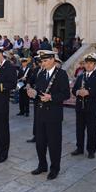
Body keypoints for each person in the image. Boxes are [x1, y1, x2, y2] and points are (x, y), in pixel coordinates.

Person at [31, 50, 70, 180]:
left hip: (53, 115)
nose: (43, 63)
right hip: (40, 113)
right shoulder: (41, 74)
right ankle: (42, 165)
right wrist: (33, 93)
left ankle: (55, 168)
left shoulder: (61, 74)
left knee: (54, 143)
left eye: (46, 60)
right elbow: (38, 91)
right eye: (42, 61)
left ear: (53, 60)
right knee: (40, 143)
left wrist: (51, 97)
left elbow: (66, 94)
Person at [71, 53, 96, 159]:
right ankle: (79, 148)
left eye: (91, 63)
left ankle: (91, 150)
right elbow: (73, 90)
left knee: (91, 129)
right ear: (84, 64)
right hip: (80, 107)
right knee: (79, 129)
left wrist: (88, 92)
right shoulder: (81, 76)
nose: (88, 65)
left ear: (94, 64)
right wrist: (77, 92)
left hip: (91, 107)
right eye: (87, 63)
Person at [26, 52, 44, 143]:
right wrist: (28, 84)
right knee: (36, 118)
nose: (40, 64)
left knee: (43, 119)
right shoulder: (36, 70)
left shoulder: (47, 71)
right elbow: (31, 79)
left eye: (41, 62)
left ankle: (43, 137)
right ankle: (36, 136)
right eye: (39, 62)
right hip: (36, 98)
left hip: (44, 98)